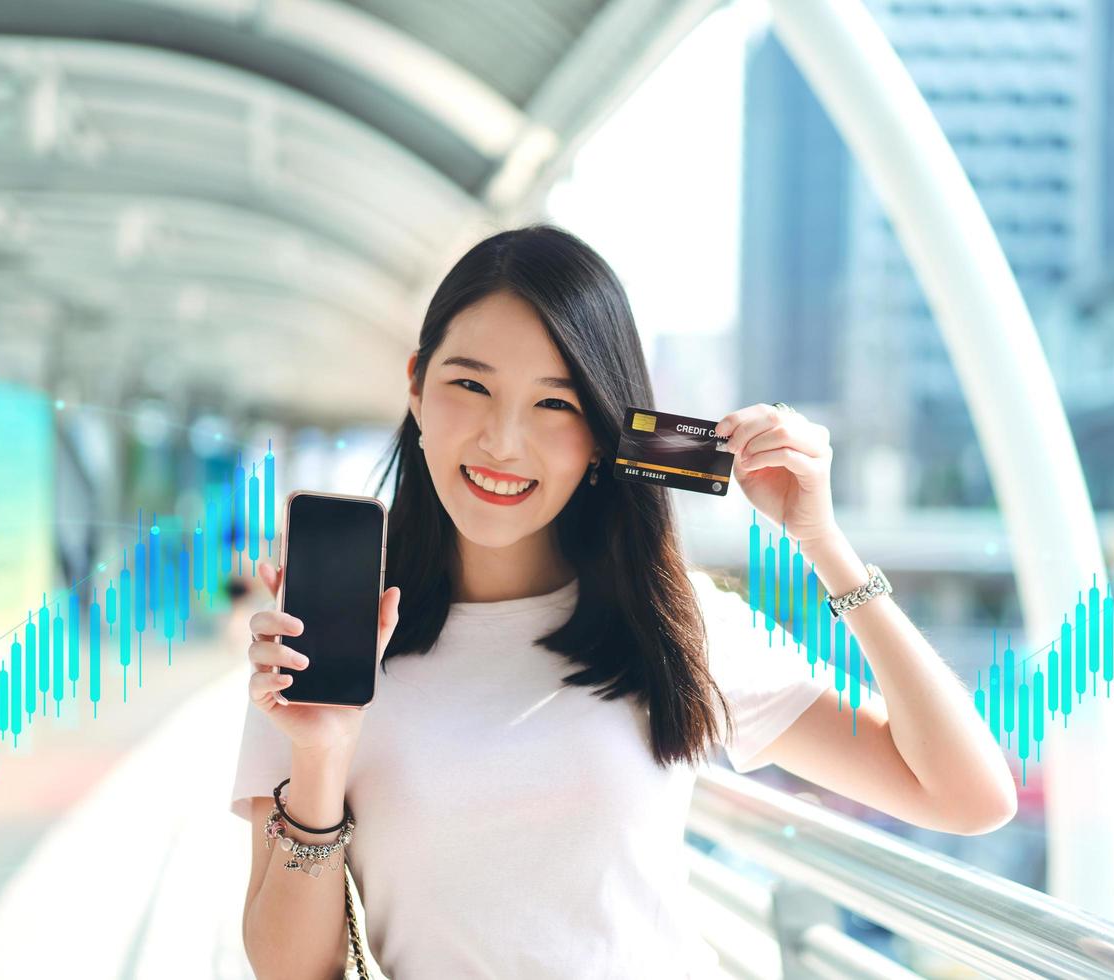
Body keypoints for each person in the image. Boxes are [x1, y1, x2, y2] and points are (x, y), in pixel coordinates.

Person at [231, 225, 1016, 979]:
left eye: (557, 403)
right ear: (415, 384)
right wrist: (321, 753)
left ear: (606, 430)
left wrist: (823, 543)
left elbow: (966, 795)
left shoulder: (673, 626)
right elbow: (290, 970)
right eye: (471, 385)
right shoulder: (330, 641)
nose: (503, 441)